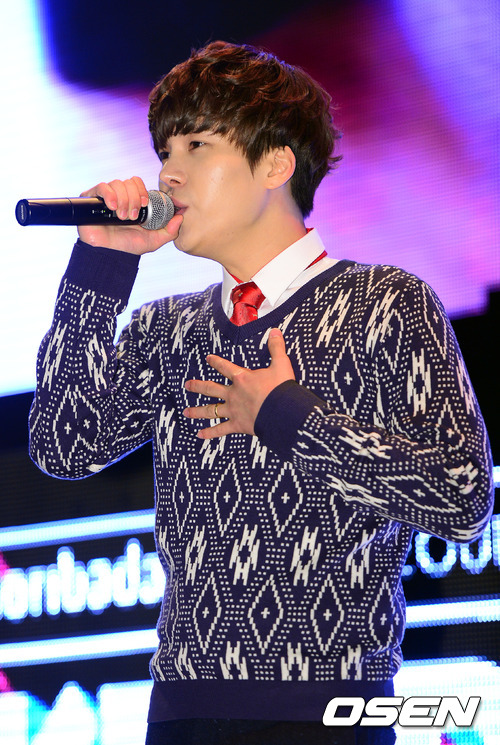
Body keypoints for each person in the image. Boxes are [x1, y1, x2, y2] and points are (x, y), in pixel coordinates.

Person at [29, 41, 494, 745]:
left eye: (196, 146)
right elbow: (63, 447)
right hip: (182, 716)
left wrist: (289, 416)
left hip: (327, 715)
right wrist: (98, 268)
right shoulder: (166, 328)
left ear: (275, 164)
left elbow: (463, 497)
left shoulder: (385, 303)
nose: (168, 174)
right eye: (164, 153)